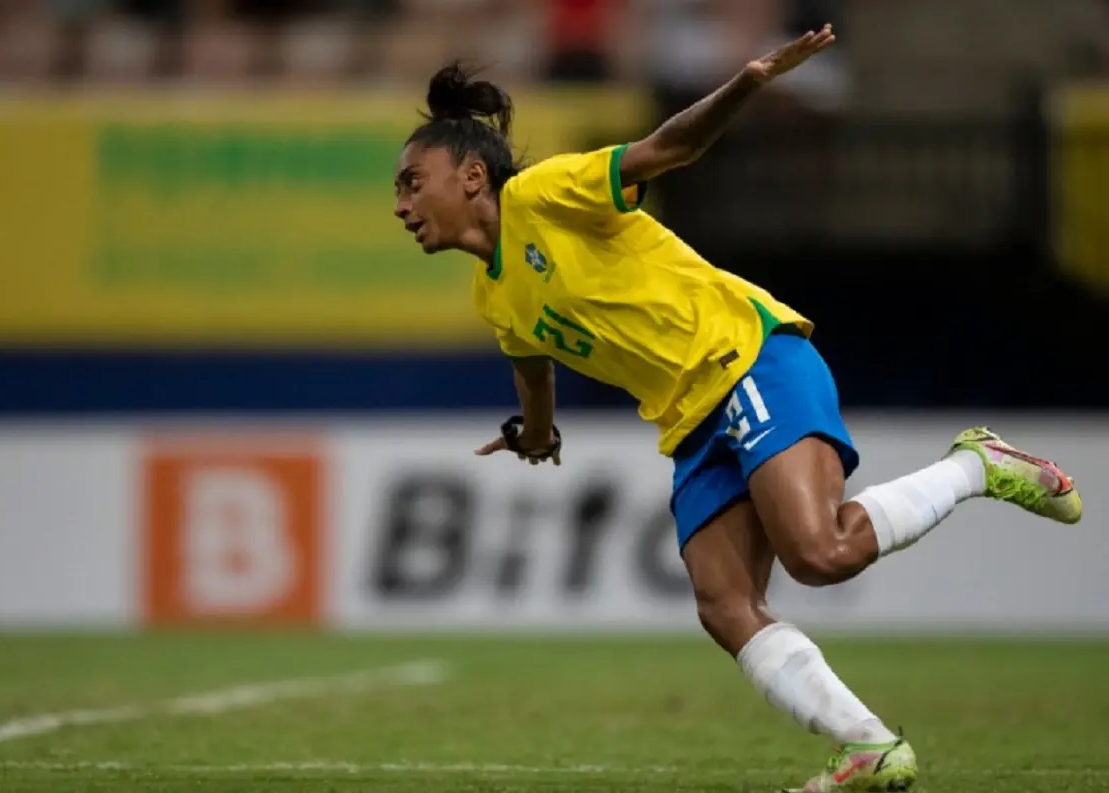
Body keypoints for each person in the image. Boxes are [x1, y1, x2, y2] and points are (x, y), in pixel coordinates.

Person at [392, 27, 1083, 793]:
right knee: (724, 605)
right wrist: (533, 433)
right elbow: (534, 372)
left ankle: (975, 465)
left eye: (412, 182)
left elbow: (667, 150)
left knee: (820, 553)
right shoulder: (493, 295)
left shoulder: (543, 194)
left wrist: (748, 82)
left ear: (472, 175)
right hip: (690, 421)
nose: (401, 205)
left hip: (746, 358)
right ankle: (870, 746)